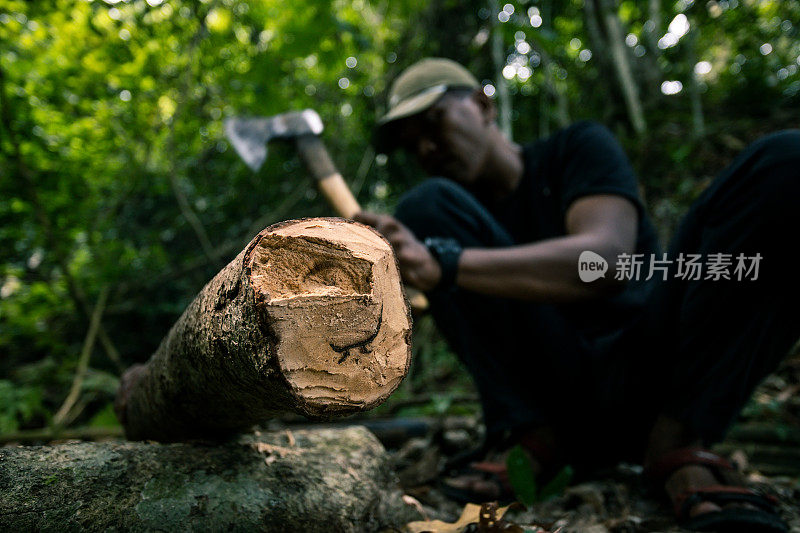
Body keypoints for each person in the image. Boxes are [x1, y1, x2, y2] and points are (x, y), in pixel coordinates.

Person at [354, 57, 798, 533]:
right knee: (424, 205)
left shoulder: (577, 149)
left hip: (653, 367)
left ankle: (680, 439)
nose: (426, 146)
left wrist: (445, 264)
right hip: (558, 393)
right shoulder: (441, 215)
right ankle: (533, 436)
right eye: (411, 142)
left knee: (786, 162)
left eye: (434, 122)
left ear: (483, 104)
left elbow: (601, 262)